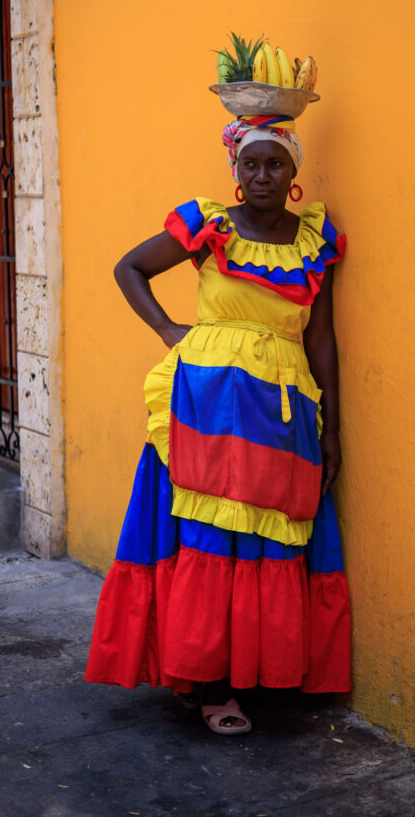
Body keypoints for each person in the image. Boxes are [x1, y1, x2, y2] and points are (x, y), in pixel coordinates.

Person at [85, 114, 351, 734]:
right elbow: (130, 268)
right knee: (207, 537)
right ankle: (209, 684)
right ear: (236, 173)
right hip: (206, 403)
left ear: (293, 174)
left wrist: (332, 428)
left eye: (275, 164)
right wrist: (170, 330)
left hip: (282, 411)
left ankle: (253, 671)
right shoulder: (210, 227)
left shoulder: (315, 243)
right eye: (251, 164)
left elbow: (323, 338)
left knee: (269, 537)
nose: (262, 175)